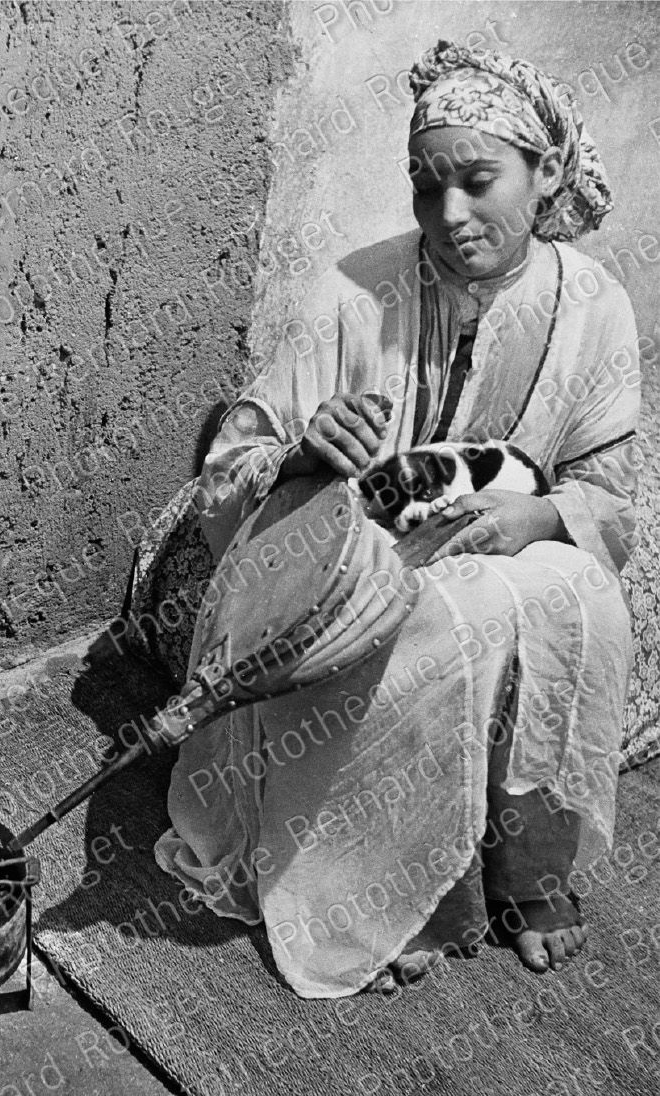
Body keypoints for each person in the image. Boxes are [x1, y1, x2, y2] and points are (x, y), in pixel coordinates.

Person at [154, 40, 640, 998]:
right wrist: (303, 452)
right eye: (425, 186)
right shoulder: (355, 289)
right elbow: (229, 463)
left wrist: (536, 514)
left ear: (544, 176)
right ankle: (397, 891)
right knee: (417, 622)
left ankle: (525, 870)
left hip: (504, 544)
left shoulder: (593, 306)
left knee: (574, 594)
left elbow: (609, 495)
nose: (449, 214)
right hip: (357, 553)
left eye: (477, 180)